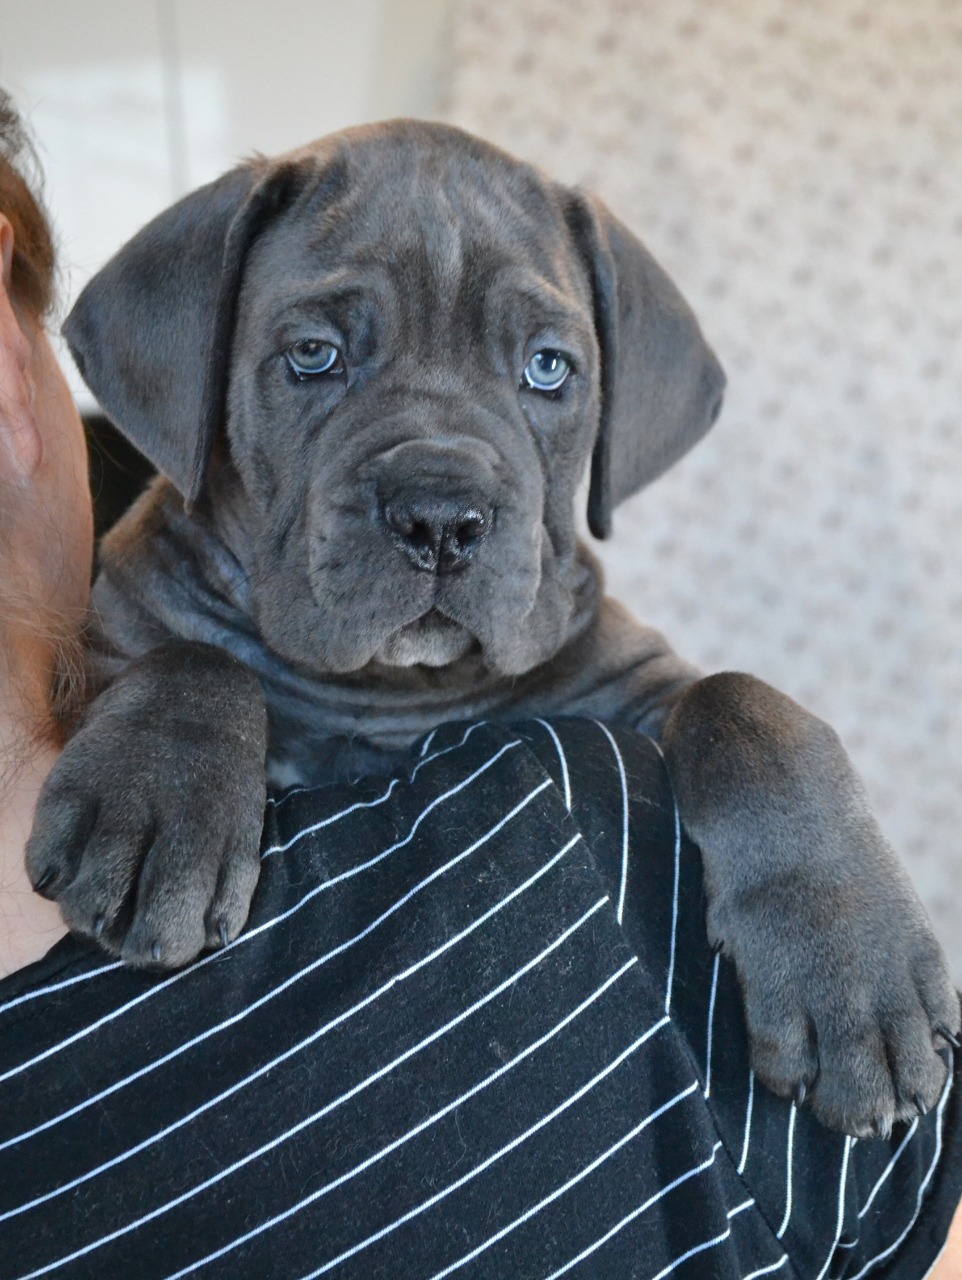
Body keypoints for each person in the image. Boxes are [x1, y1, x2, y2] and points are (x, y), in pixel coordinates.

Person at [0, 90, 959, 1280]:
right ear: (193, 363)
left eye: (544, 366)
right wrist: (178, 693)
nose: (443, 500)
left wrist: (783, 791)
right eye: (316, 355)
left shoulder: (587, 690)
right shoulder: (149, 618)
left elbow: (672, 710)